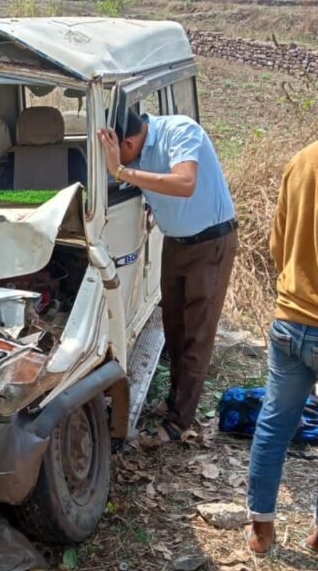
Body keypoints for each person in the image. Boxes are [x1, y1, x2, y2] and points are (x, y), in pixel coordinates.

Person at [98, 109, 237, 444]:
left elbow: (185, 182)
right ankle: (175, 401)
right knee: (173, 325)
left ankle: (178, 423)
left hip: (210, 243)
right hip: (176, 242)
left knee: (196, 335)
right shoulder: (137, 152)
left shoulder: (180, 132)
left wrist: (121, 170)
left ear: (128, 142)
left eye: (116, 153)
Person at [246, 141, 318, 556]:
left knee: (273, 425)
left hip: (290, 320)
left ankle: (261, 531)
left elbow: (278, 243)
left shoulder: (301, 161)